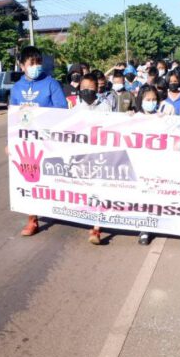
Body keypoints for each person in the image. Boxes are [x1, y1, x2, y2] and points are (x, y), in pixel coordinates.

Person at [10, 45, 69, 237]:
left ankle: (61, 207)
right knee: (29, 178)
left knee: (52, 177)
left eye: (38, 62)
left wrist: (41, 116)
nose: (35, 66)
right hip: (27, 142)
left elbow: (62, 110)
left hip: (49, 140)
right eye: (31, 63)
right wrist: (11, 142)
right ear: (22, 66)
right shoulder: (17, 88)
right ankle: (32, 220)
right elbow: (13, 118)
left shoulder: (51, 84)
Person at [73, 73, 112, 246]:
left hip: (101, 156)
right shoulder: (75, 109)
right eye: (84, 88)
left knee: (100, 192)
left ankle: (97, 228)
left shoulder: (105, 107)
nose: (87, 91)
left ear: (97, 88)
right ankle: (90, 220)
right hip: (82, 157)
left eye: (90, 88)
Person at [132, 85, 162, 246]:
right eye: (148, 99)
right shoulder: (134, 118)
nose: (151, 102)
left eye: (154, 100)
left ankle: (148, 227)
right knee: (140, 197)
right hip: (138, 164)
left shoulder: (163, 118)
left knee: (152, 196)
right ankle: (142, 227)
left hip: (156, 164)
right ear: (141, 100)